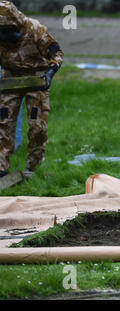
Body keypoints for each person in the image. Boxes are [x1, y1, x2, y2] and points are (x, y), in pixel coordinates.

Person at [0, 1, 63, 178]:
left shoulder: (35, 29)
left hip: (36, 79)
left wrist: (50, 73)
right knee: (3, 123)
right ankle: (1, 167)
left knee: (37, 126)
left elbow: (57, 54)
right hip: (10, 80)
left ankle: (33, 167)